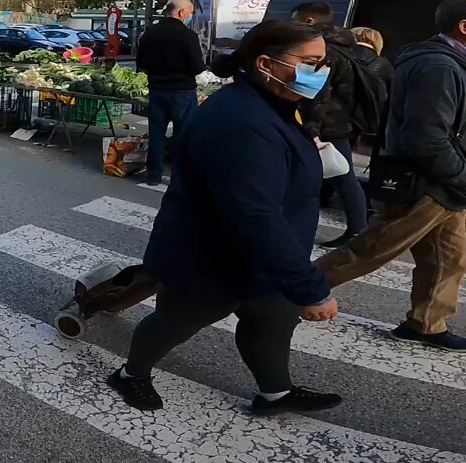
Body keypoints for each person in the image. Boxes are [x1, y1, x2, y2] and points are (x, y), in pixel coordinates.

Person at [107, 20, 341, 414]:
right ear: (267, 63)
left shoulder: (274, 104)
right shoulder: (240, 121)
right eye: (311, 62)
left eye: (322, 62)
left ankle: (275, 393)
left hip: (262, 259)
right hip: (212, 258)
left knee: (272, 322)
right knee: (174, 323)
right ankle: (132, 374)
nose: (320, 72)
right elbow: (254, 215)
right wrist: (311, 288)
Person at [315, 0, 466, 351]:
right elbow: (427, 138)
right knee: (371, 250)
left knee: (449, 257)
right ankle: (286, 295)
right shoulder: (438, 67)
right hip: (427, 182)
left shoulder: (449, 61)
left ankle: (427, 323)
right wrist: (461, 176)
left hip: (446, 183)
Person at [291, 2, 367, 247]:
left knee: (341, 175)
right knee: (341, 174)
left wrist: (311, 128)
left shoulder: (323, 48)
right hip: (340, 119)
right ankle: (358, 229)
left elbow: (318, 92)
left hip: (326, 123)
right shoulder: (346, 43)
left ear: (309, 21)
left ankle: (358, 231)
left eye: (297, 20)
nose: (294, 25)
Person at [133, 0, 206, 186]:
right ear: (182, 12)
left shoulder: (150, 33)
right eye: (189, 13)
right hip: (183, 92)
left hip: (158, 90)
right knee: (183, 136)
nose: (189, 17)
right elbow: (199, 67)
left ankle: (153, 176)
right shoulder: (188, 36)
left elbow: (140, 63)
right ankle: (179, 177)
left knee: (156, 133)